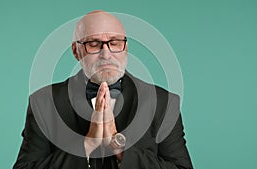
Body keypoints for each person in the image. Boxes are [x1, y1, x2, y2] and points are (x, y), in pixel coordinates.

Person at [13, 10, 193, 169]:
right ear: (76, 51)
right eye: (93, 44)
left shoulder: (164, 102)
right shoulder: (44, 102)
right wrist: (87, 144)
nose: (106, 53)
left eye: (114, 43)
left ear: (126, 48)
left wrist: (118, 145)